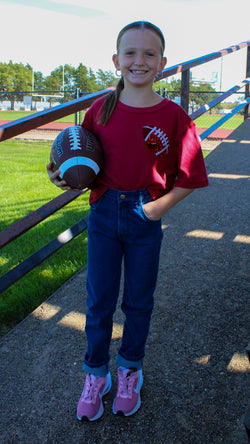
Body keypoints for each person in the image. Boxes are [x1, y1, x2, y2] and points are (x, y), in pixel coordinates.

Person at [47, 20, 208, 421]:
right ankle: (95, 374)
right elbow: (80, 159)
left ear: (163, 63)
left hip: (144, 215)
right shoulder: (101, 109)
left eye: (149, 53)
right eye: (131, 53)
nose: (140, 61)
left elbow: (191, 178)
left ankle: (130, 370)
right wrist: (61, 174)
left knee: (138, 303)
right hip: (103, 212)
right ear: (116, 61)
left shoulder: (173, 116)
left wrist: (156, 209)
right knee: (98, 302)